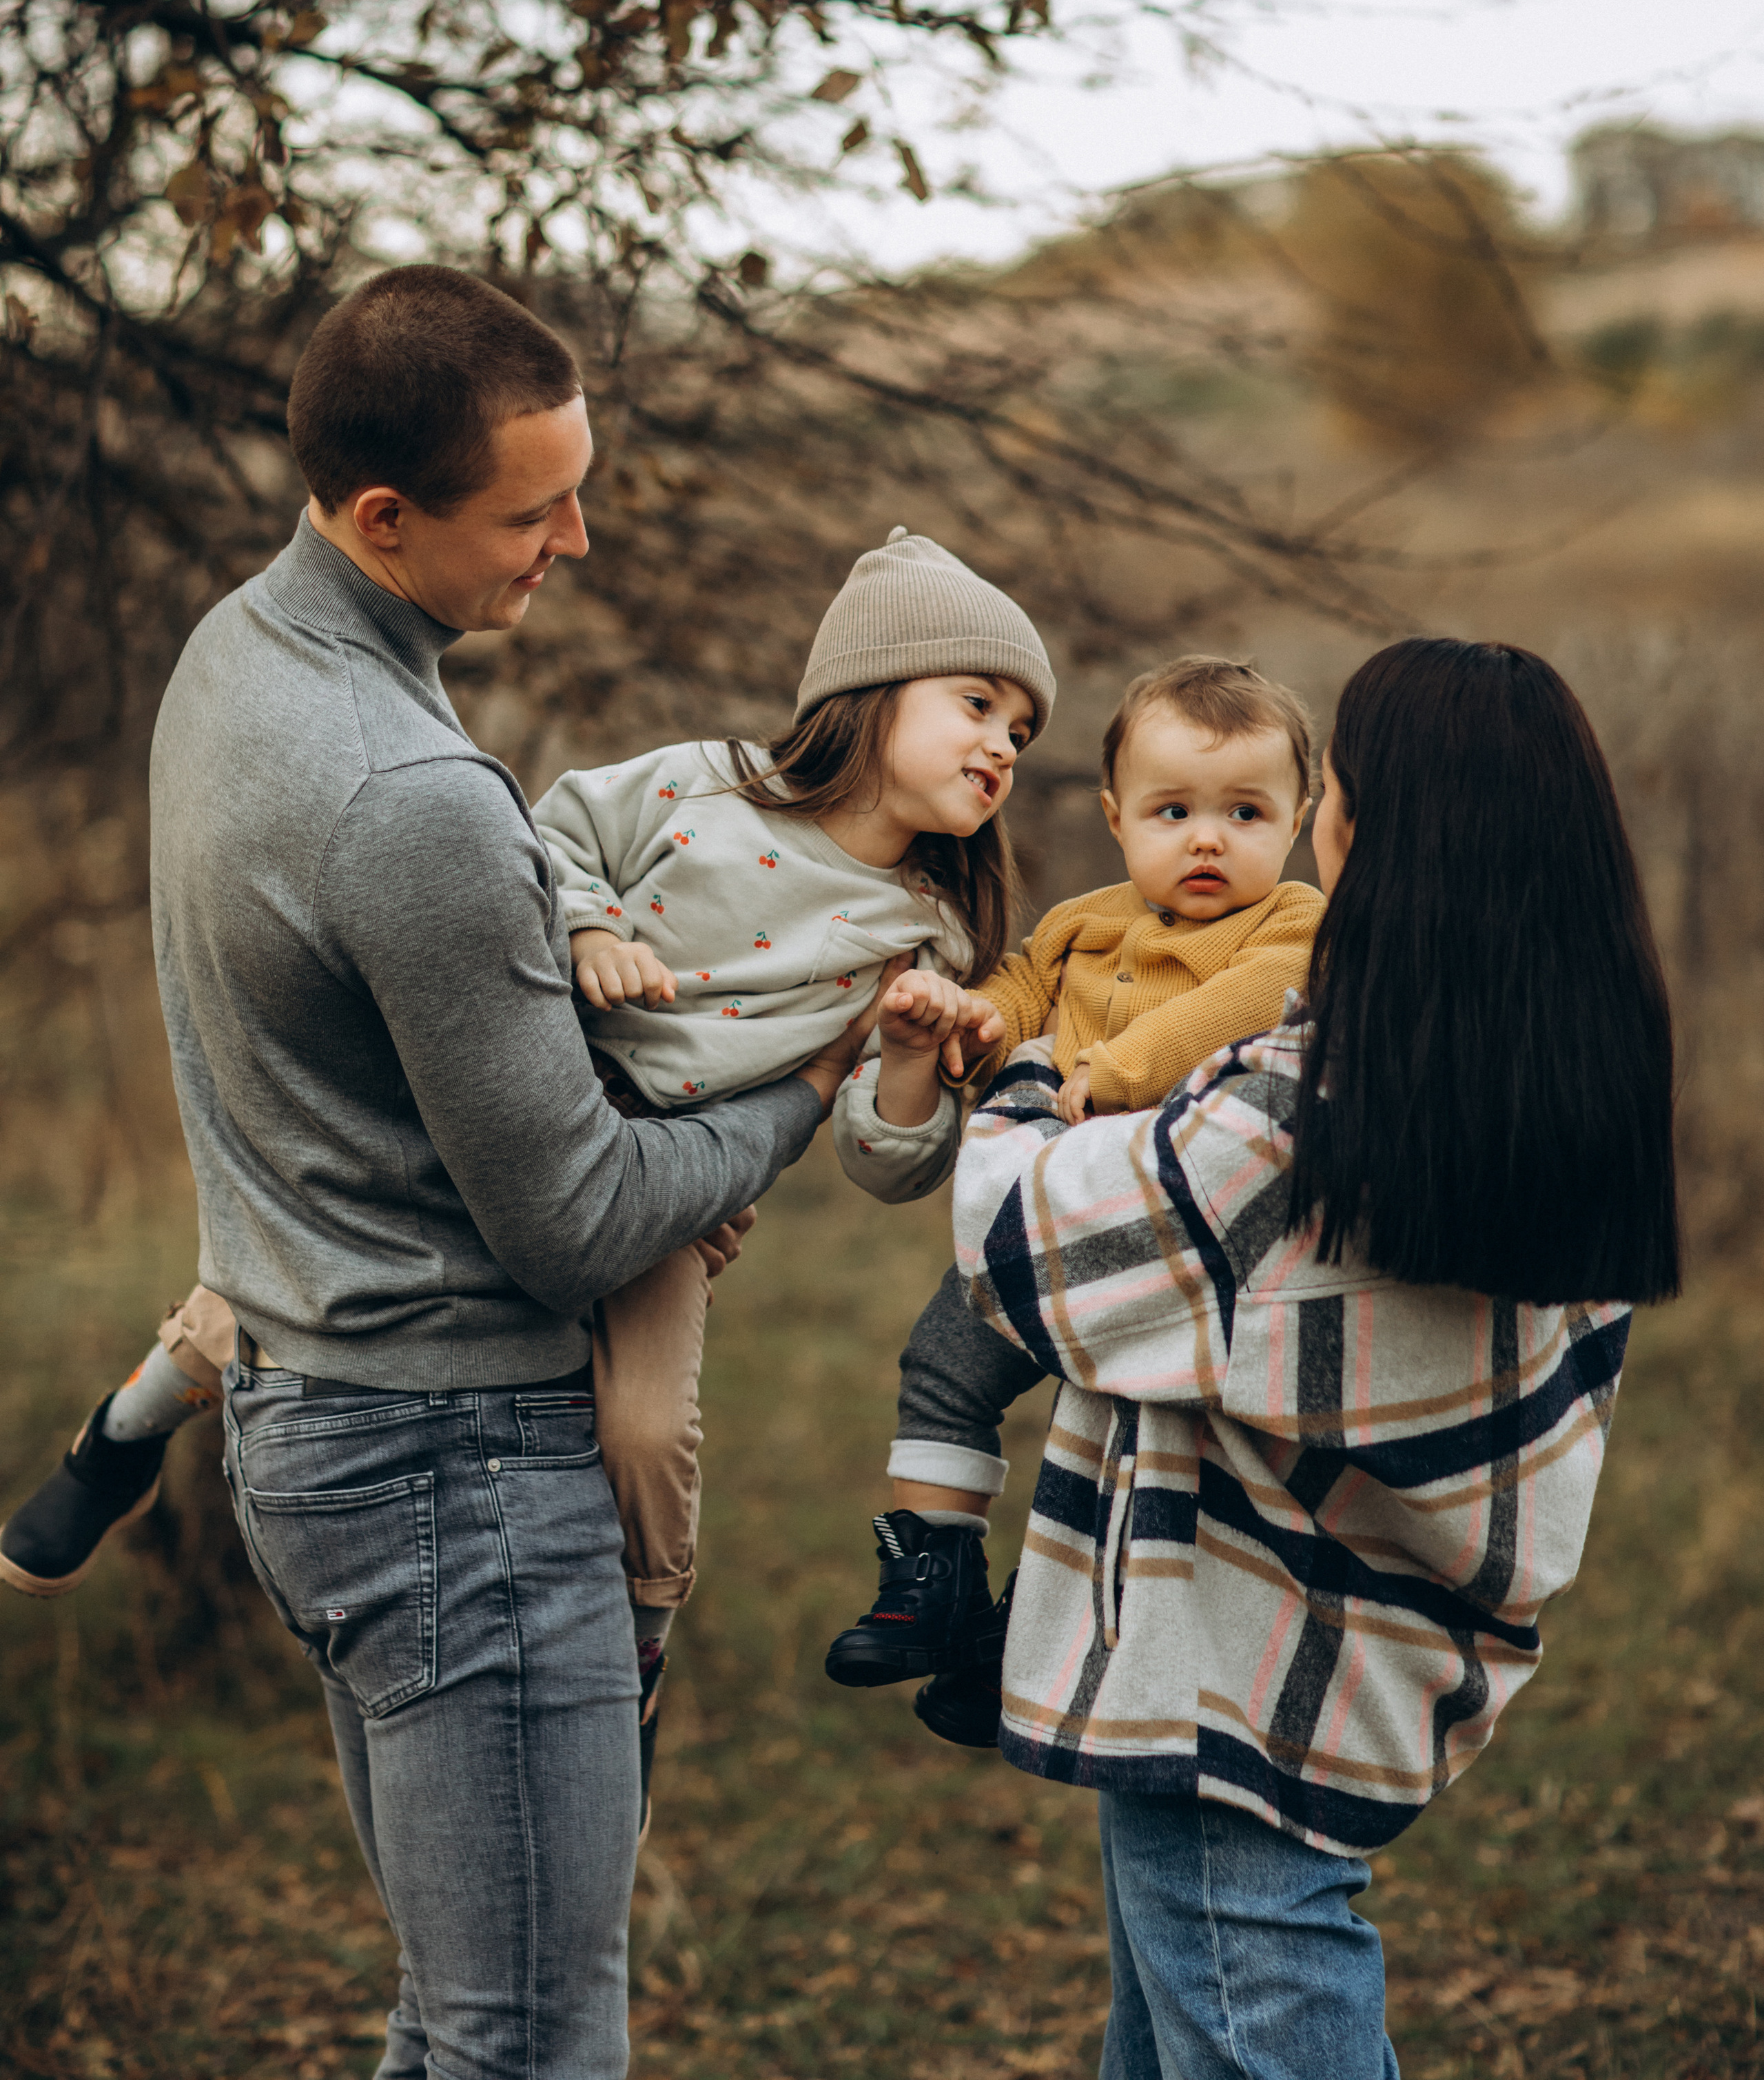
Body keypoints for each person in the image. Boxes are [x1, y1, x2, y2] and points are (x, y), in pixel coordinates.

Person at [17, 262, 895, 2080]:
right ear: (384, 516)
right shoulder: (408, 795)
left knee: (463, 2021)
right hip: (455, 1475)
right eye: (534, 508)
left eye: (579, 483)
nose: (575, 538)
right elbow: (572, 1217)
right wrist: (810, 1082)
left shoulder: (231, 654)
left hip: (320, 1421)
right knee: (527, 2043)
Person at [0, 527, 1049, 1826]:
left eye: (1024, 730)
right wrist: (596, 925)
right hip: (526, 1098)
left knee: (648, 1430)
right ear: (873, 690)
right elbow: (540, 835)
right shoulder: (701, 785)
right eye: (979, 705)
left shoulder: (930, 931)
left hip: (669, 1189)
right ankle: (122, 1436)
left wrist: (897, 1063)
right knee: (283, 1291)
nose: (1005, 745)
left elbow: (888, 1167)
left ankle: (642, 1654)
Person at [949, 637, 1679, 2080]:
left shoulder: (1308, 1104)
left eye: (1324, 787)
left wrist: (1032, 1074)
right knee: (1174, 2038)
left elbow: (1021, 1241)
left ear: (1364, 826)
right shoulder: (1557, 1072)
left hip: (1233, 1654)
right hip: (1393, 1625)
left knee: (1259, 2018)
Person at [824, 656, 1326, 1746]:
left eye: (1246, 812)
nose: (1208, 838)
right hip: (1048, 1236)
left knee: (1111, 1452)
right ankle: (935, 1582)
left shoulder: (1291, 922)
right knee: (943, 1369)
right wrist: (979, 1016)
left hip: (1176, 1255)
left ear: (1301, 817)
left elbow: (1244, 1004)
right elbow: (1019, 985)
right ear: (1115, 817)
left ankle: (1022, 1641)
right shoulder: (1080, 926)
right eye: (1173, 811)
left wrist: (1118, 1068)